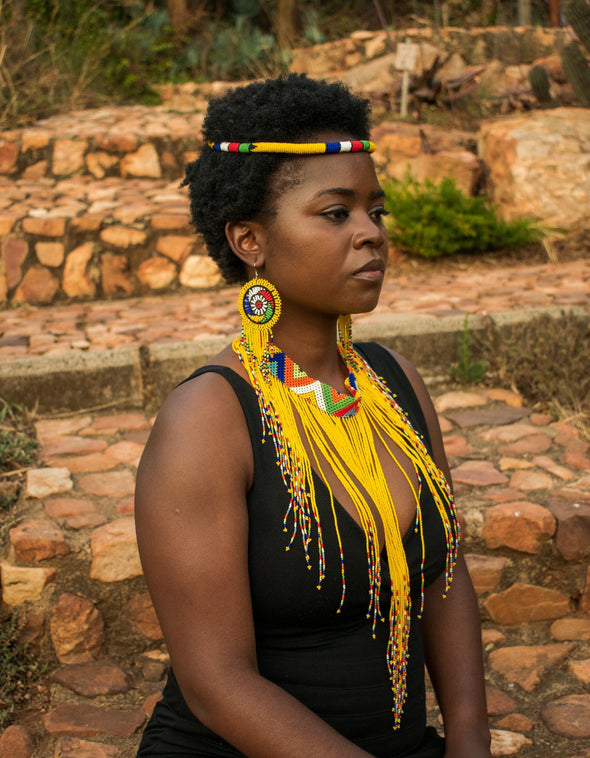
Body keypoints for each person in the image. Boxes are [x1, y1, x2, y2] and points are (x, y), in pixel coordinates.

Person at [134, 73, 492, 758]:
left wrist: (470, 741)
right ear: (249, 239)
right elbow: (216, 681)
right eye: (336, 213)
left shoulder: (396, 383)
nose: (370, 235)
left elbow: (444, 577)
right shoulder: (209, 420)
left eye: (375, 211)